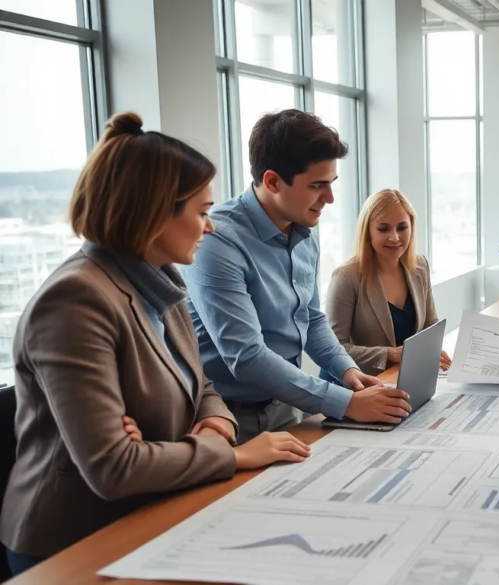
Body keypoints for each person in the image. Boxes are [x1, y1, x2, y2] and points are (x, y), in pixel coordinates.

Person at [0, 113, 310, 575]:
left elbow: (203, 386)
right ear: (154, 211)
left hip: (152, 505)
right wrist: (233, 452)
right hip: (73, 541)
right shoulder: (75, 300)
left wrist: (209, 430)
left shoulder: (160, 282)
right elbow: (114, 468)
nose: (210, 227)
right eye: (202, 212)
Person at [181, 110, 411, 444]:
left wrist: (349, 373)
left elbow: (312, 319)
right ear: (272, 181)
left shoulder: (303, 231)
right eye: (317, 186)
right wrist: (346, 403)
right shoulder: (217, 239)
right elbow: (246, 356)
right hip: (225, 421)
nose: (329, 199)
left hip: (289, 407)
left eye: (331, 185)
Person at [322, 189, 451, 377]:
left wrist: (434, 349)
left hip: (401, 377)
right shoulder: (346, 277)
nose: (395, 237)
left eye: (402, 227)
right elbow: (334, 349)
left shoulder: (420, 266)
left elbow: (430, 323)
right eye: (383, 229)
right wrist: (389, 354)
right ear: (368, 232)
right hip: (355, 384)